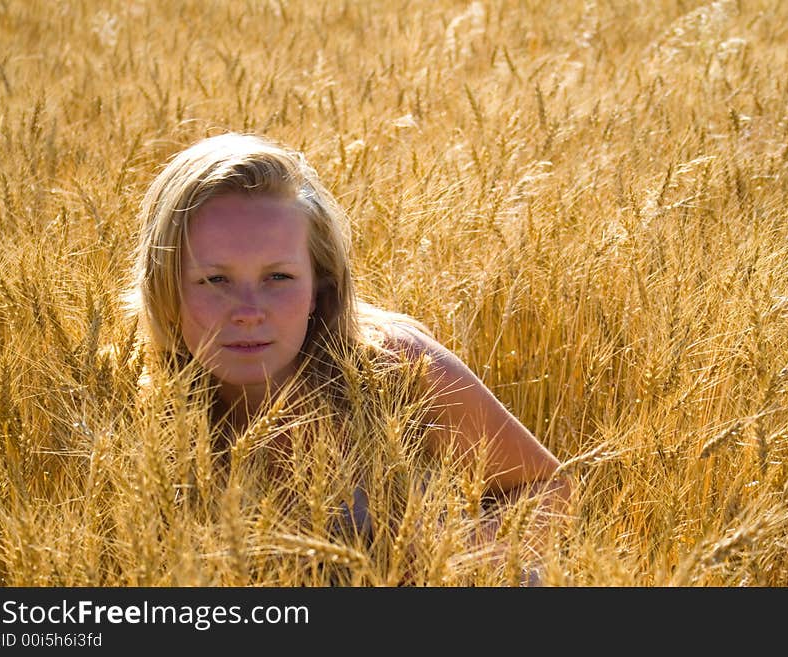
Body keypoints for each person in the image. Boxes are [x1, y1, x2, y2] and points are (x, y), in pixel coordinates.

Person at [124, 131, 571, 584]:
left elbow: (551, 489)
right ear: (165, 287)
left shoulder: (398, 371)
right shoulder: (130, 395)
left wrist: (449, 559)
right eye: (214, 280)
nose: (247, 312)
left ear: (320, 286)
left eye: (278, 276)